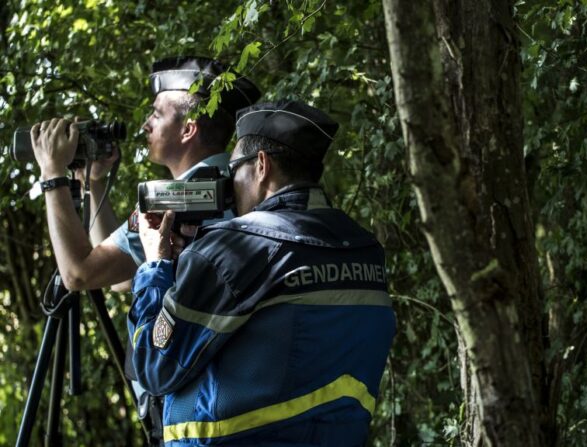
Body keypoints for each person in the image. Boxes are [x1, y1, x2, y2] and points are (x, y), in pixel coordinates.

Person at [128, 100, 396, 445]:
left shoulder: (231, 249)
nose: (229, 185)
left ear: (261, 165)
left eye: (233, 169)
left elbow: (154, 365)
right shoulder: (366, 249)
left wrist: (156, 265)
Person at [30, 56, 260, 444]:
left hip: (187, 411)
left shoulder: (169, 202)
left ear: (188, 129)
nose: (145, 125)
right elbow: (122, 279)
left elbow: (78, 274)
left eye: (156, 114)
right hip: (230, 399)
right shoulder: (242, 189)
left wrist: (52, 173)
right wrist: (95, 184)